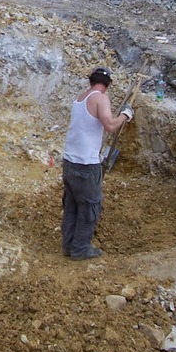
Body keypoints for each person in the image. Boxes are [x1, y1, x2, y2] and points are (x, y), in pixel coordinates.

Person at [61, 66, 134, 260]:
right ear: (107, 85)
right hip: (85, 165)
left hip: (69, 162)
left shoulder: (80, 98)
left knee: (72, 205)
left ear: (91, 81)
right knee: (90, 207)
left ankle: (69, 246)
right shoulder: (100, 98)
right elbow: (110, 125)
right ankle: (80, 249)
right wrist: (125, 115)